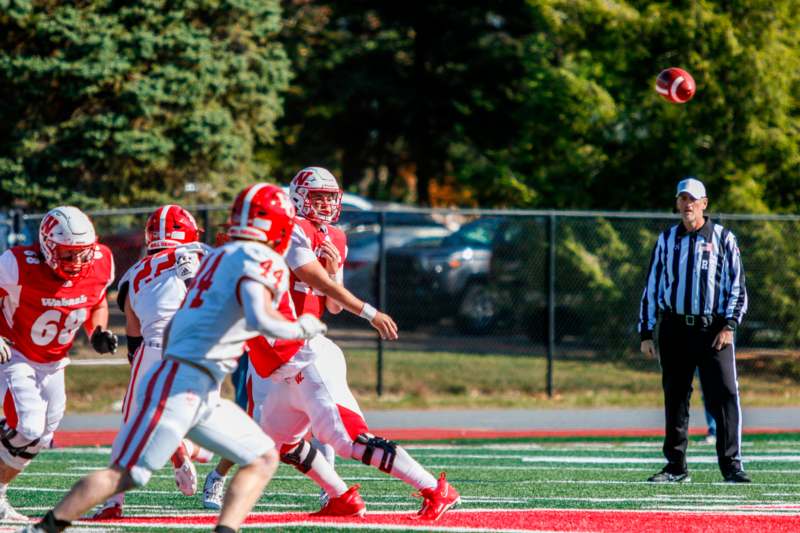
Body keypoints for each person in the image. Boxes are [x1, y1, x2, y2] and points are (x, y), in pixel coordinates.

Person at [22, 184, 328, 533]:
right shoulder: (230, 255)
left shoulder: (210, 256)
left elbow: (151, 328)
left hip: (193, 379)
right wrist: (296, 328)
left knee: (262, 458)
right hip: (184, 380)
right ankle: (41, 530)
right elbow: (257, 312)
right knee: (124, 475)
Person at [205, 167, 460, 521]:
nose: (325, 204)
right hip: (280, 363)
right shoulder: (261, 248)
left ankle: (435, 488)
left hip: (304, 355)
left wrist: (345, 283)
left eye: (253, 220)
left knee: (346, 440)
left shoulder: (294, 237)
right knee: (277, 443)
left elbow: (324, 293)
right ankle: (341, 496)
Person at [92, 205, 213, 519]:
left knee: (135, 424)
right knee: (198, 423)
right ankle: (189, 448)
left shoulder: (133, 274)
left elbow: (133, 334)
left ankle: (113, 503)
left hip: (154, 345)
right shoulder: (197, 253)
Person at [0, 207, 117, 522]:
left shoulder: (101, 263)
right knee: (28, 426)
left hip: (55, 360)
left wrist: (98, 332)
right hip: (15, 353)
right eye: (68, 254)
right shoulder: (17, 264)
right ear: (48, 246)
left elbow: (96, 301)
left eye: (83, 254)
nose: (77, 262)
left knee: (42, 435)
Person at [639, 177, 749, 483]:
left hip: (713, 330)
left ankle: (732, 466)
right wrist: (646, 332)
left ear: (704, 204)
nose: (687, 205)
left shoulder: (724, 239)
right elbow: (651, 287)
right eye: (682, 199)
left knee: (724, 395)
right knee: (675, 397)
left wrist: (729, 325)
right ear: (677, 203)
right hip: (675, 328)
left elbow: (737, 287)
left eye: (693, 199)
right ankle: (676, 467)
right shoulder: (666, 240)